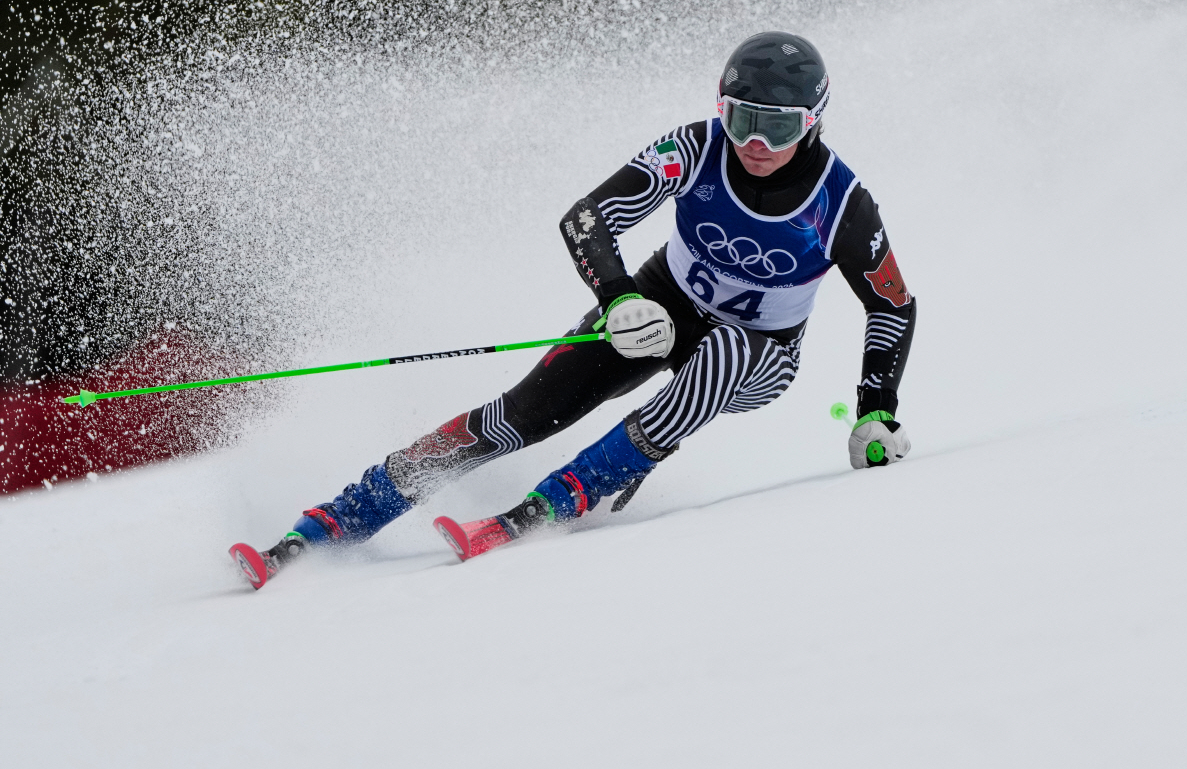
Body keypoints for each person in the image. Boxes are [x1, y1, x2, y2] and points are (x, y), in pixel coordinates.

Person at [230, 31, 916, 587]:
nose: (755, 145)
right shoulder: (697, 147)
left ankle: (558, 498)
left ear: (814, 121)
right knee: (517, 415)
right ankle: (330, 520)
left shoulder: (841, 201)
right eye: (740, 120)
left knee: (725, 352)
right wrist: (617, 297)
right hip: (659, 305)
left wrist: (874, 409)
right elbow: (588, 218)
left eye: (777, 126)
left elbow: (892, 305)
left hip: (762, 355)